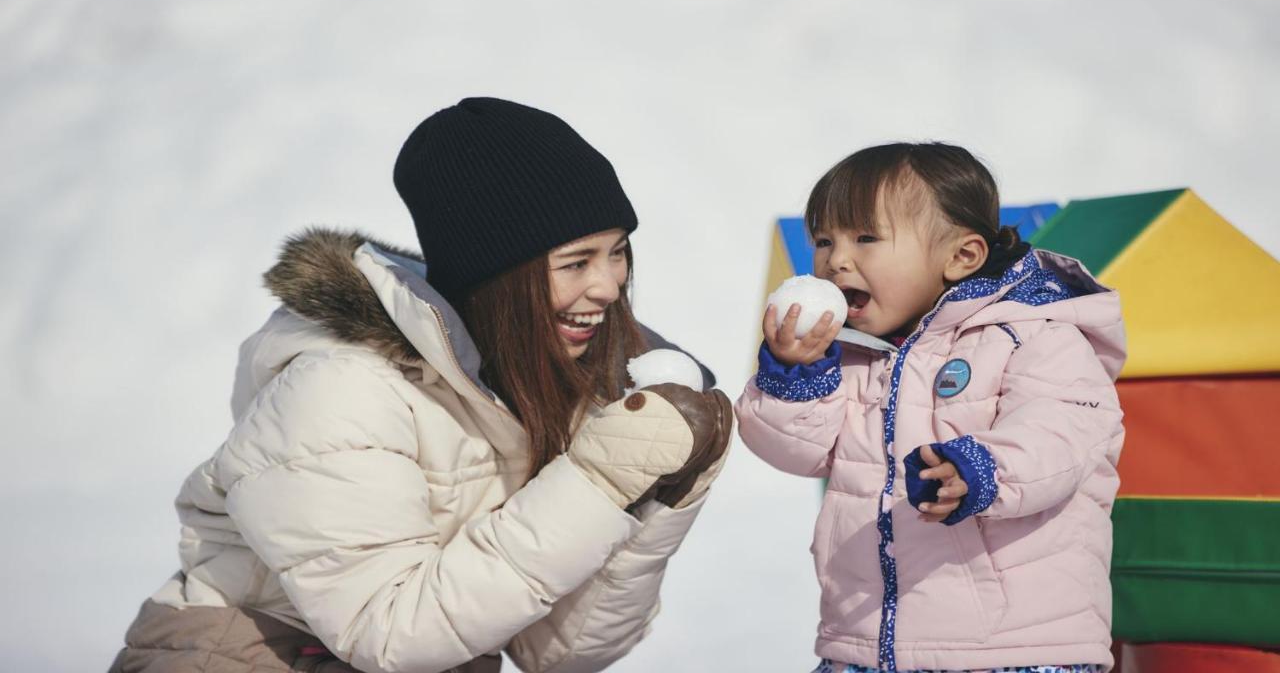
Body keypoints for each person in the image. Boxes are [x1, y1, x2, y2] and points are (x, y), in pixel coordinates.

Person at [110, 97, 733, 673]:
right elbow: (388, 633)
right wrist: (601, 478)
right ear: (498, 277)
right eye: (576, 262)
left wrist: (658, 493)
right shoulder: (341, 387)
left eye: (617, 252)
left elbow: (559, 652)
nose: (607, 286)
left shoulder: (534, 373)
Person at [735, 143, 1125, 673]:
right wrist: (794, 374)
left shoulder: (1035, 334)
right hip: (866, 642)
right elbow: (796, 451)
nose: (836, 259)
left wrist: (983, 468)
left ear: (961, 256)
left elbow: (1061, 435)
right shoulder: (850, 355)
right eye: (825, 240)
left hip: (1013, 650)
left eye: (866, 238)